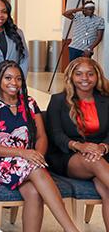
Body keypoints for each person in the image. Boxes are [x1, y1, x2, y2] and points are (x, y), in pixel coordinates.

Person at [0, 60, 79, 232]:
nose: (13, 83)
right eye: (8, 78)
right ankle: (71, 229)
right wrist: (25, 154)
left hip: (27, 160)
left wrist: (37, 155)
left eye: (18, 79)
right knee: (36, 170)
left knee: (34, 193)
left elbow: (41, 136)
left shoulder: (29, 103)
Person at [46, 57, 109, 229]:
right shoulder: (58, 100)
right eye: (79, 74)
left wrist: (103, 147)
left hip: (101, 154)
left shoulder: (105, 100)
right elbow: (55, 135)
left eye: (90, 74)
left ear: (97, 76)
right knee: (94, 160)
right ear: (71, 77)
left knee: (106, 191)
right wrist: (80, 146)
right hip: (68, 154)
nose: (85, 78)